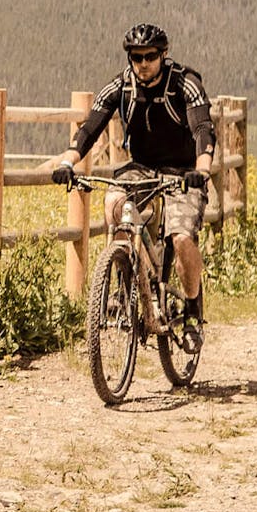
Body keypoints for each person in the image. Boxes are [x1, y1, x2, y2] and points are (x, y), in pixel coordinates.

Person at [52, 23, 216, 315]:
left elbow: (203, 128)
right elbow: (91, 127)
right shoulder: (122, 85)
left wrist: (201, 170)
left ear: (163, 54)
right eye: (136, 57)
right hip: (141, 167)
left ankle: (192, 308)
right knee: (114, 204)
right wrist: (67, 162)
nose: (143, 64)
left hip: (182, 171)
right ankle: (123, 285)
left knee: (181, 237)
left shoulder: (184, 83)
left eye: (150, 56)